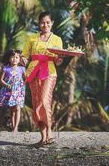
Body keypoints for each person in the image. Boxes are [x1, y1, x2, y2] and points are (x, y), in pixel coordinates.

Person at [21, 11, 63, 147]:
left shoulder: (57, 39)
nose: (45, 25)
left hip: (49, 71)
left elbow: (58, 60)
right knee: (36, 103)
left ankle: (49, 132)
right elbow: (25, 55)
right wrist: (22, 59)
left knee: (45, 100)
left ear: (52, 23)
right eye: (42, 22)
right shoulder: (31, 38)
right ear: (39, 24)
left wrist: (59, 59)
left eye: (47, 22)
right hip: (33, 72)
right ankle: (43, 137)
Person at [0, 49, 26, 132]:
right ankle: (13, 126)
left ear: (19, 59)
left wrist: (22, 85)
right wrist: (7, 85)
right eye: (13, 57)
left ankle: (16, 127)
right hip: (9, 90)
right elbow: (1, 80)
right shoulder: (6, 68)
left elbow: (26, 78)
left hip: (19, 91)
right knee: (11, 109)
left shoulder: (22, 69)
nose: (15, 59)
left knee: (17, 108)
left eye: (17, 57)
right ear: (9, 59)